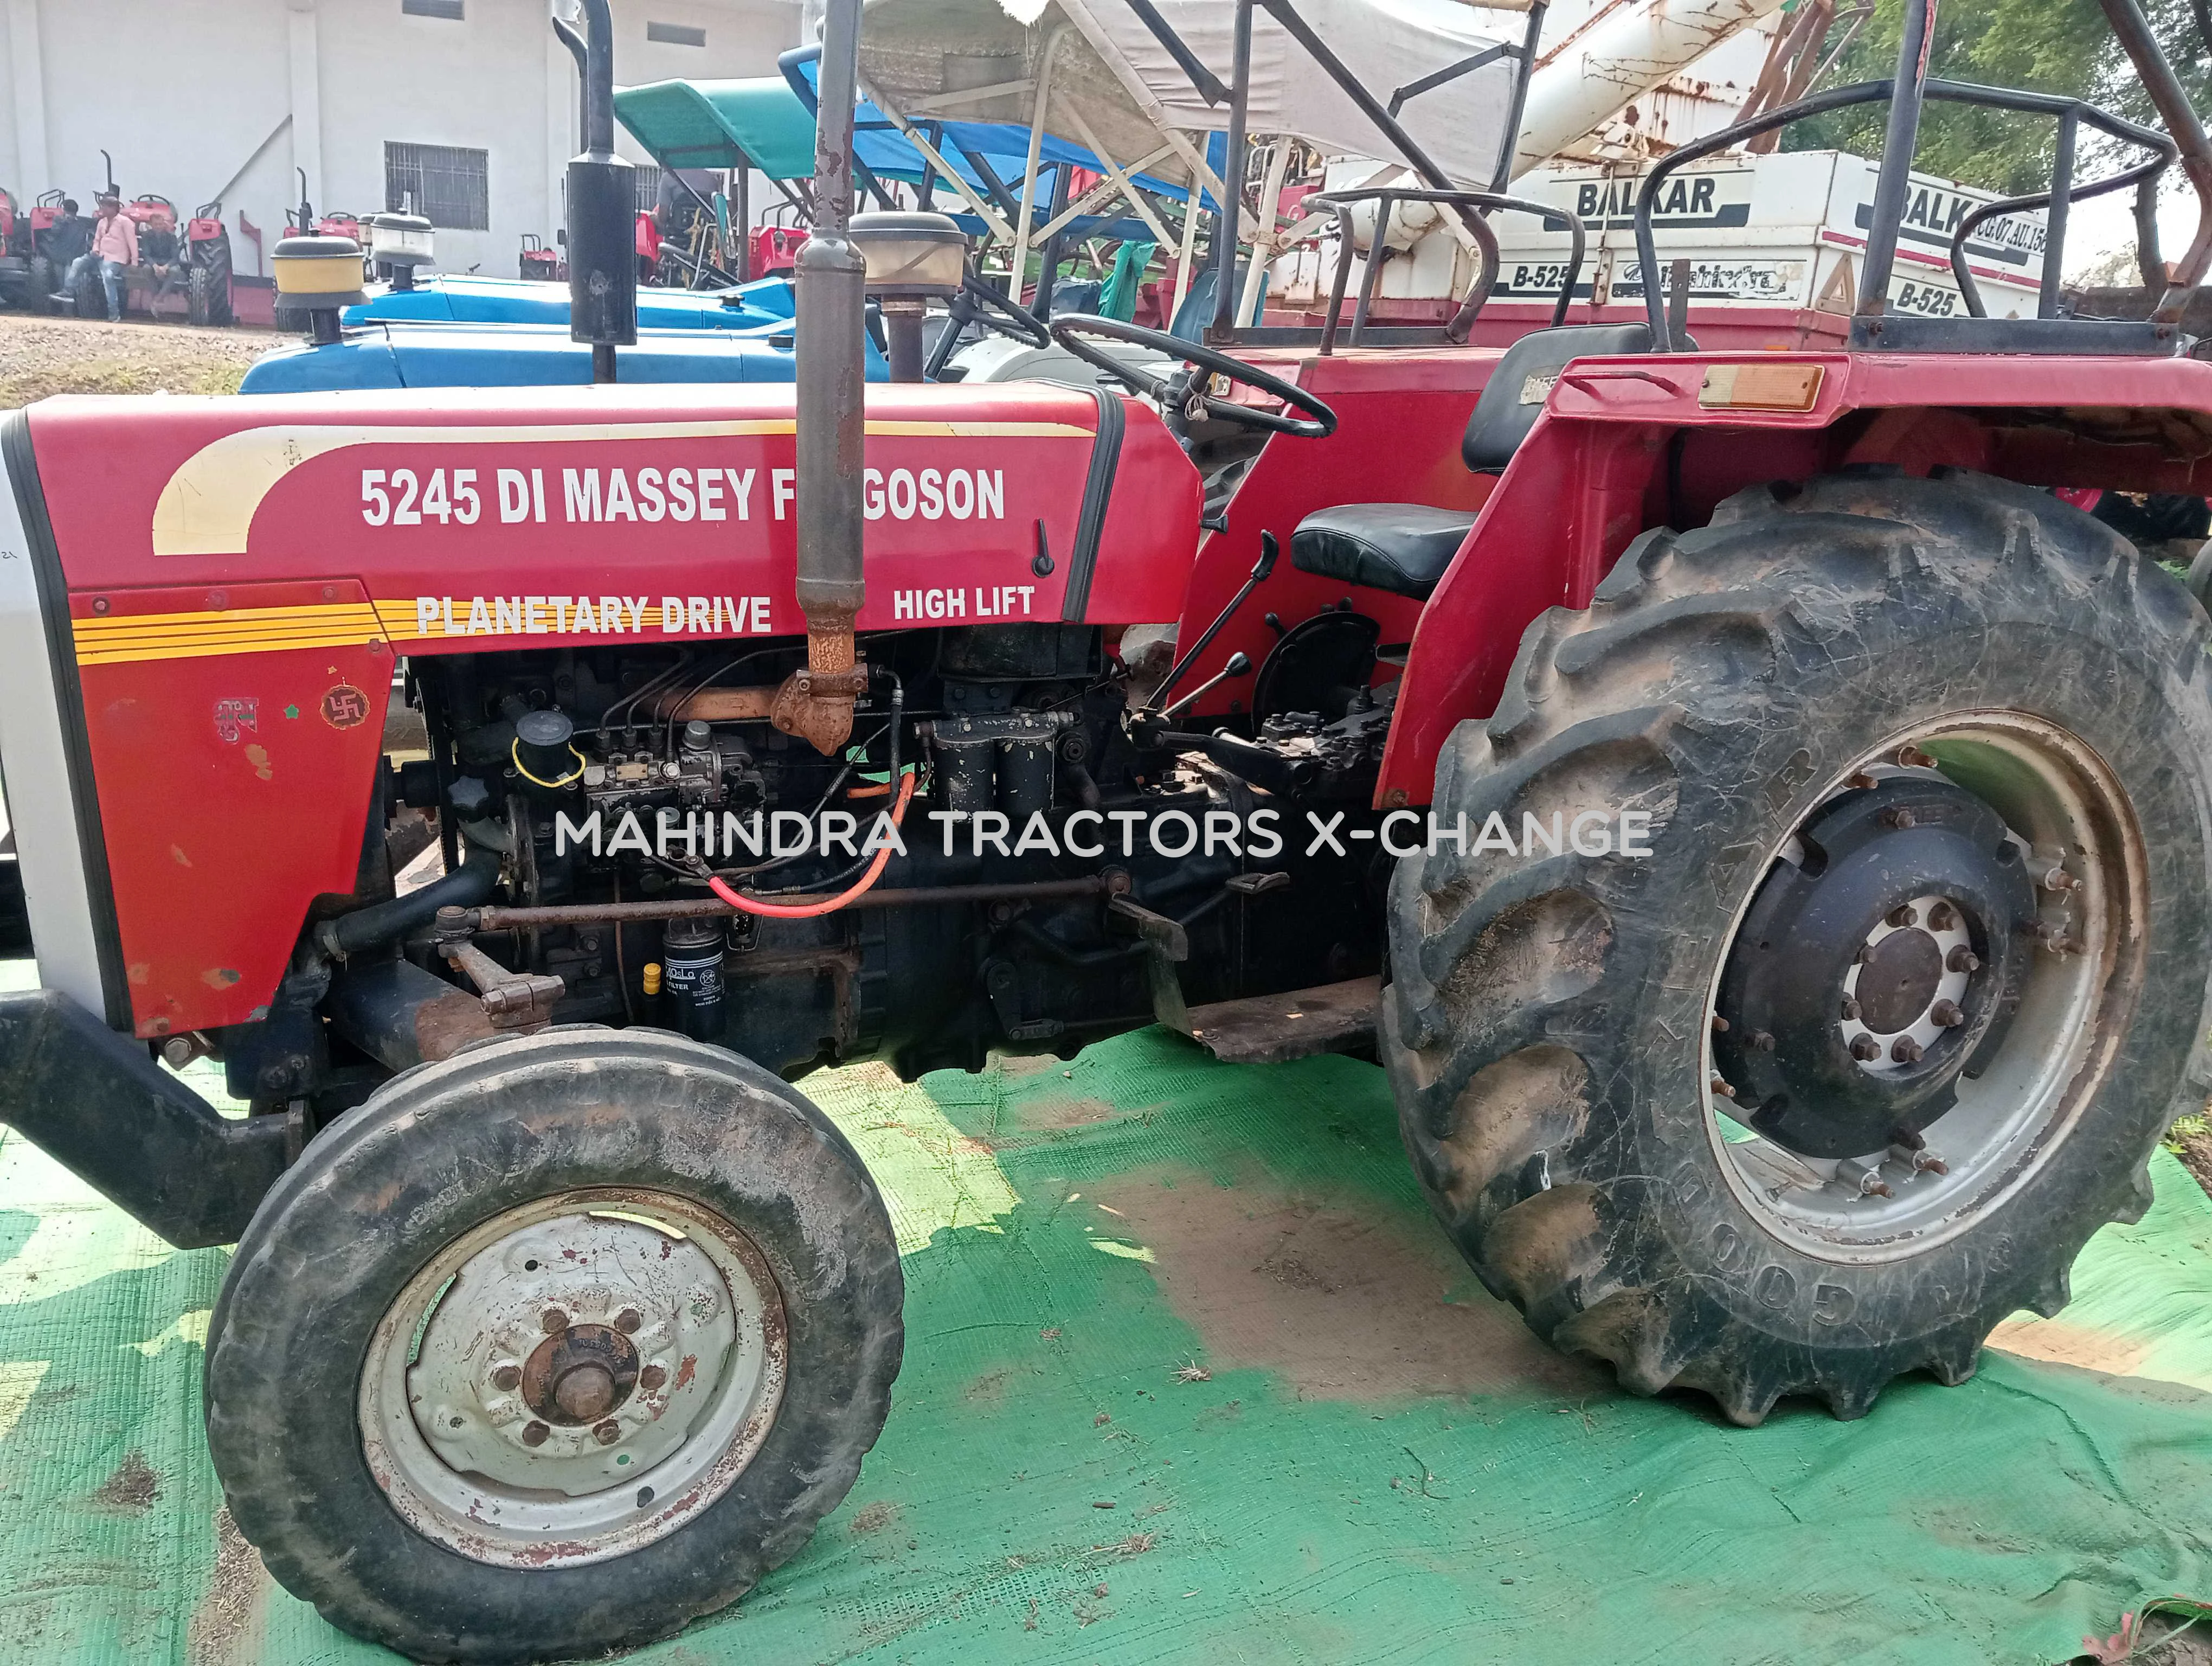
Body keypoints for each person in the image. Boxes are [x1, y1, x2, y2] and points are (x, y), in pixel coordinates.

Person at [51, 192, 136, 322]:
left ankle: (114, 313)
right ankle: (68, 291)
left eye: (104, 207)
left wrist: (134, 262)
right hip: (99, 254)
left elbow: (132, 242)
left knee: (108, 276)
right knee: (78, 262)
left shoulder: (126, 222)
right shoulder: (102, 222)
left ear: (113, 208)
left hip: (115, 258)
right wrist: (95, 249)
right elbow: (97, 240)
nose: (101, 209)